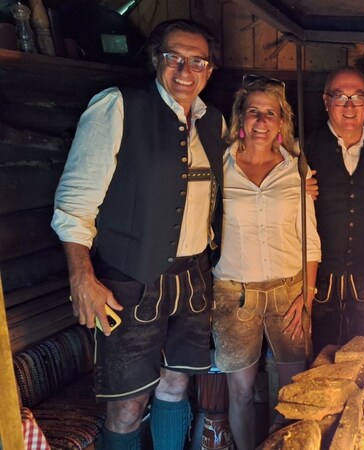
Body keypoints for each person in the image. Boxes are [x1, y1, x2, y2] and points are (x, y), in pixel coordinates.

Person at [51, 19, 224, 449]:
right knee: (127, 404)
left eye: (197, 61)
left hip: (194, 280)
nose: (185, 70)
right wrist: (81, 277)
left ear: (209, 71)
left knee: (175, 387)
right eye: (175, 57)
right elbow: (74, 202)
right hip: (128, 280)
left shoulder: (215, 122)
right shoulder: (117, 107)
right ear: (155, 59)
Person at [210, 75, 320, 449]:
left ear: (280, 122)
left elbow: (310, 240)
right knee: (240, 393)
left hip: (289, 290)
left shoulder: (297, 170)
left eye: (269, 113)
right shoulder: (219, 167)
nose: (260, 120)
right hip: (233, 294)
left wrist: (306, 294)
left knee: (294, 390)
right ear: (240, 118)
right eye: (253, 111)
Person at [305, 66, 364, 355]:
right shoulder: (301, 150)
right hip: (315, 287)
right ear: (325, 101)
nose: (348, 106)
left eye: (357, 98)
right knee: (316, 369)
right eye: (339, 97)